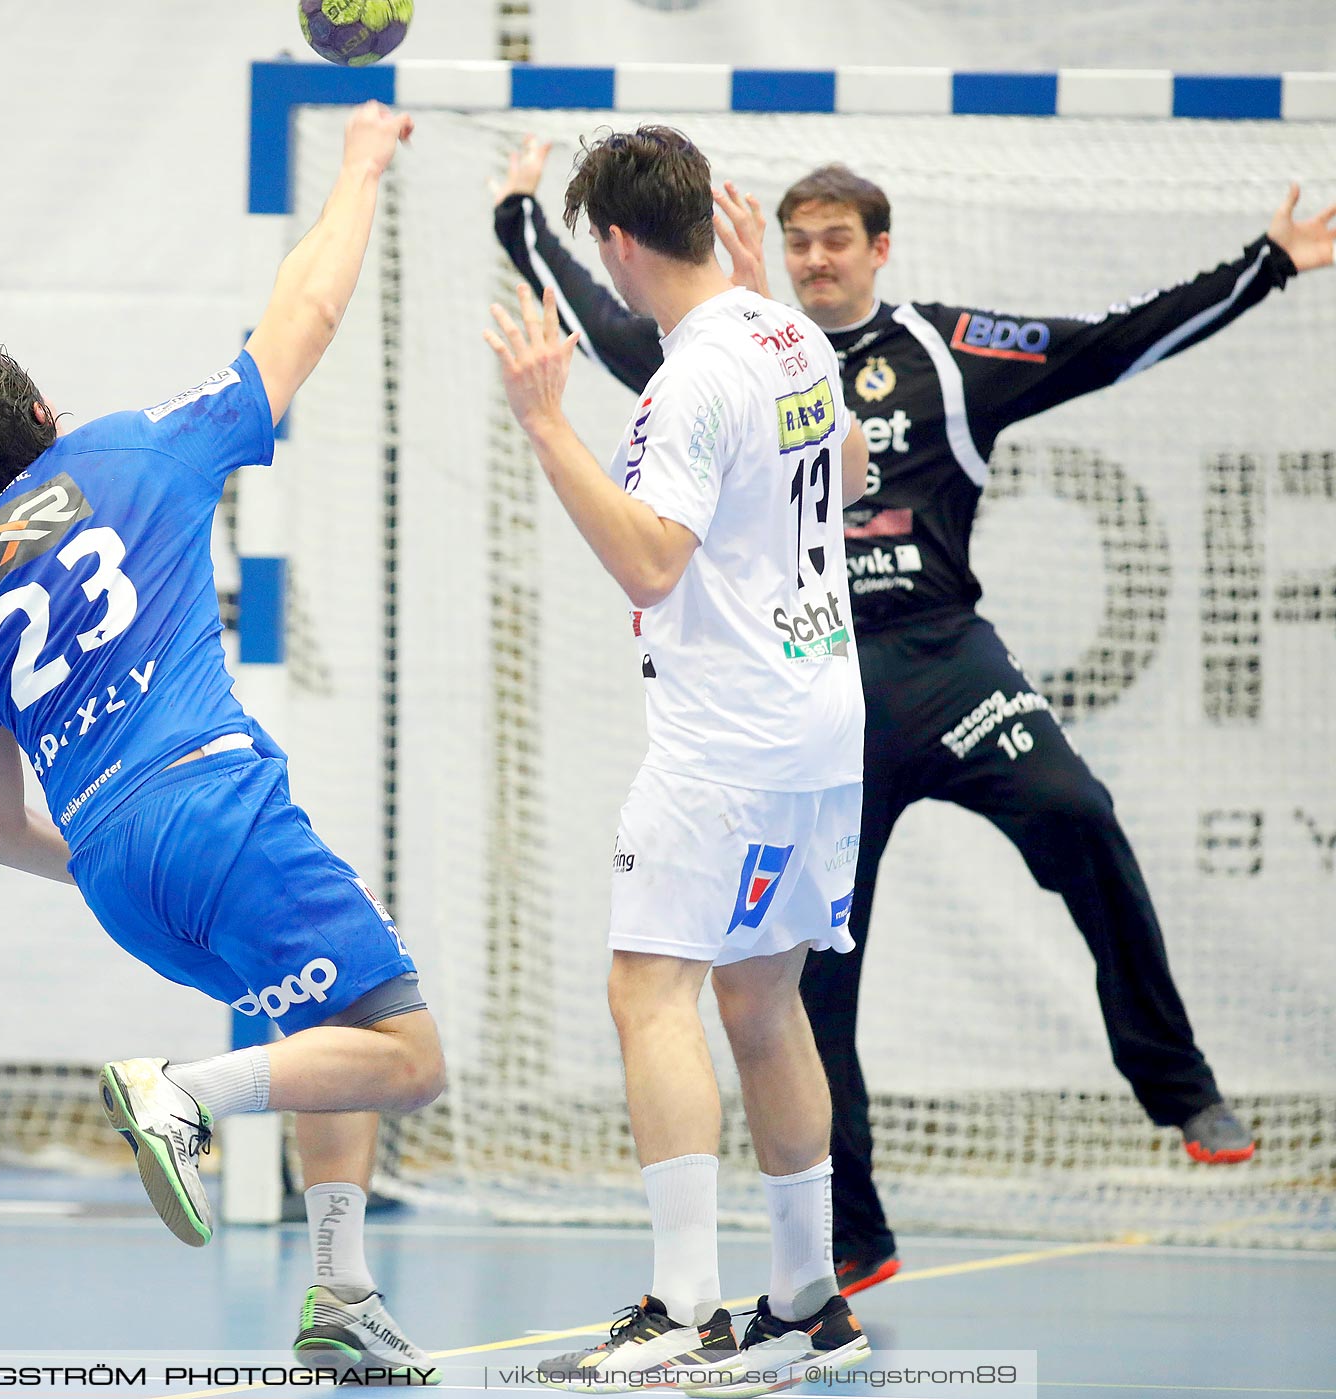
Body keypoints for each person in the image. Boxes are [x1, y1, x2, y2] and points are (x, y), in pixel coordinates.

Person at [492, 139, 1336, 1294]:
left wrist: (1264, 268)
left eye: (838, 239)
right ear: (754, 244)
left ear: (880, 249)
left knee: (1065, 816)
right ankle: (837, 1253)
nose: (817, 258)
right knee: (793, 992)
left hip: (909, 669)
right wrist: (516, 219)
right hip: (834, 691)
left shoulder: (880, 351)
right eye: (798, 240)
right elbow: (611, 321)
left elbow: (1101, 345)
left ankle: (1173, 1081)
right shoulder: (770, 342)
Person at [0, 101, 447, 1380]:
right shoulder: (128, 446)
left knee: (328, 1021)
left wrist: (114, 848)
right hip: (213, 807)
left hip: (118, 877)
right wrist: (359, 165)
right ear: (45, 411)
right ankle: (182, 1095)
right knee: (406, 1055)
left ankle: (339, 1293)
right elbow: (305, 319)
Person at [486, 126, 871, 1395]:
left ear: (616, 244)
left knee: (649, 992)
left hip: (728, 740)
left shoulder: (693, 374)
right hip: (820, 722)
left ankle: (686, 1312)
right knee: (762, 1006)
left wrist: (547, 424)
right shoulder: (788, 331)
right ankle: (811, 1302)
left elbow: (652, 559)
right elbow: (853, 466)